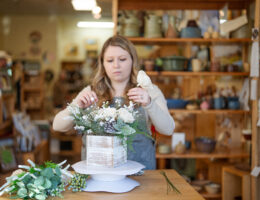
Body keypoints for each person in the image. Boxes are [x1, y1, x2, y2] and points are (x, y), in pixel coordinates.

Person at [53, 35, 174, 169]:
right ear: (103, 64)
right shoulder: (91, 92)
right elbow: (58, 126)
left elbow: (168, 129)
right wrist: (76, 107)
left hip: (140, 174)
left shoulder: (148, 91)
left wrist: (149, 103)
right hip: (97, 174)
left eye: (122, 59)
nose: (116, 65)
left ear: (132, 61)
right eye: (110, 60)